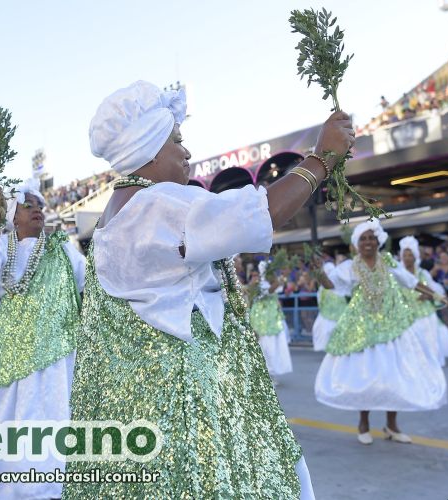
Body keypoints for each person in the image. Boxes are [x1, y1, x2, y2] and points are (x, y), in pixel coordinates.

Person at [65, 80, 354, 498]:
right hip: (184, 397)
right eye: (177, 140)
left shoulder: (116, 214)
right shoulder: (155, 204)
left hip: (145, 400)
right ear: (147, 148)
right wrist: (321, 159)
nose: (186, 151)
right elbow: (261, 213)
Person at [0, 178, 86, 500]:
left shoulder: (61, 248)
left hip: (59, 347)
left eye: (41, 206)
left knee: (54, 412)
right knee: (10, 414)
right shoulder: (5, 245)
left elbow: (88, 287)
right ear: (14, 215)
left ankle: (50, 487)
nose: (38, 210)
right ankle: (15, 484)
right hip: (15, 349)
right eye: (29, 205)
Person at [315, 221, 448, 446]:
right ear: (357, 243)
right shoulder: (349, 266)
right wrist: (319, 274)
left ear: (379, 241)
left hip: (391, 324)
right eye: (363, 239)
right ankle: (363, 424)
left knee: (394, 376)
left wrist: (440, 296)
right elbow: (331, 285)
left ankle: (391, 425)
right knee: (365, 376)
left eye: (371, 238)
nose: (368, 242)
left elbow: (411, 282)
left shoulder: (387, 261)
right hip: (361, 329)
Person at [398, 236, 448, 365]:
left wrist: (428, 296)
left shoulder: (423, 273)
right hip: (406, 314)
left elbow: (435, 291)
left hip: (425, 312)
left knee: (429, 337)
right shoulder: (399, 275)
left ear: (415, 256)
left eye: (410, 255)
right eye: (405, 255)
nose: (407, 258)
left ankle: (431, 363)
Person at [250, 260, 293, 379]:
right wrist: (283, 277)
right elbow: (269, 290)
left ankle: (271, 373)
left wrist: (285, 277)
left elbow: (280, 288)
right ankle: (265, 373)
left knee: (275, 345)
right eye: (272, 272)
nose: (274, 274)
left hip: (273, 319)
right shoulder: (259, 284)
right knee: (265, 345)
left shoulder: (272, 282)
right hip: (262, 319)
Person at [311, 257, 352, 352]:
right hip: (327, 313)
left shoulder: (344, 276)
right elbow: (326, 288)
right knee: (323, 330)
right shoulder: (326, 285)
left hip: (341, 312)